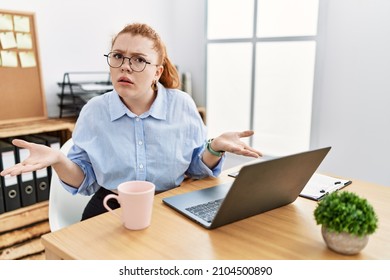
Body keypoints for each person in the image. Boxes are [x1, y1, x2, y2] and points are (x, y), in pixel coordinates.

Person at [0, 23, 262, 220]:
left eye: (138, 60)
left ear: (157, 72)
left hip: (168, 206)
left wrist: (214, 147)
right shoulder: (94, 111)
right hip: (108, 208)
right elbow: (86, 178)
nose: (125, 66)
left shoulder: (182, 105)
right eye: (118, 56)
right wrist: (58, 159)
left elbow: (194, 168)